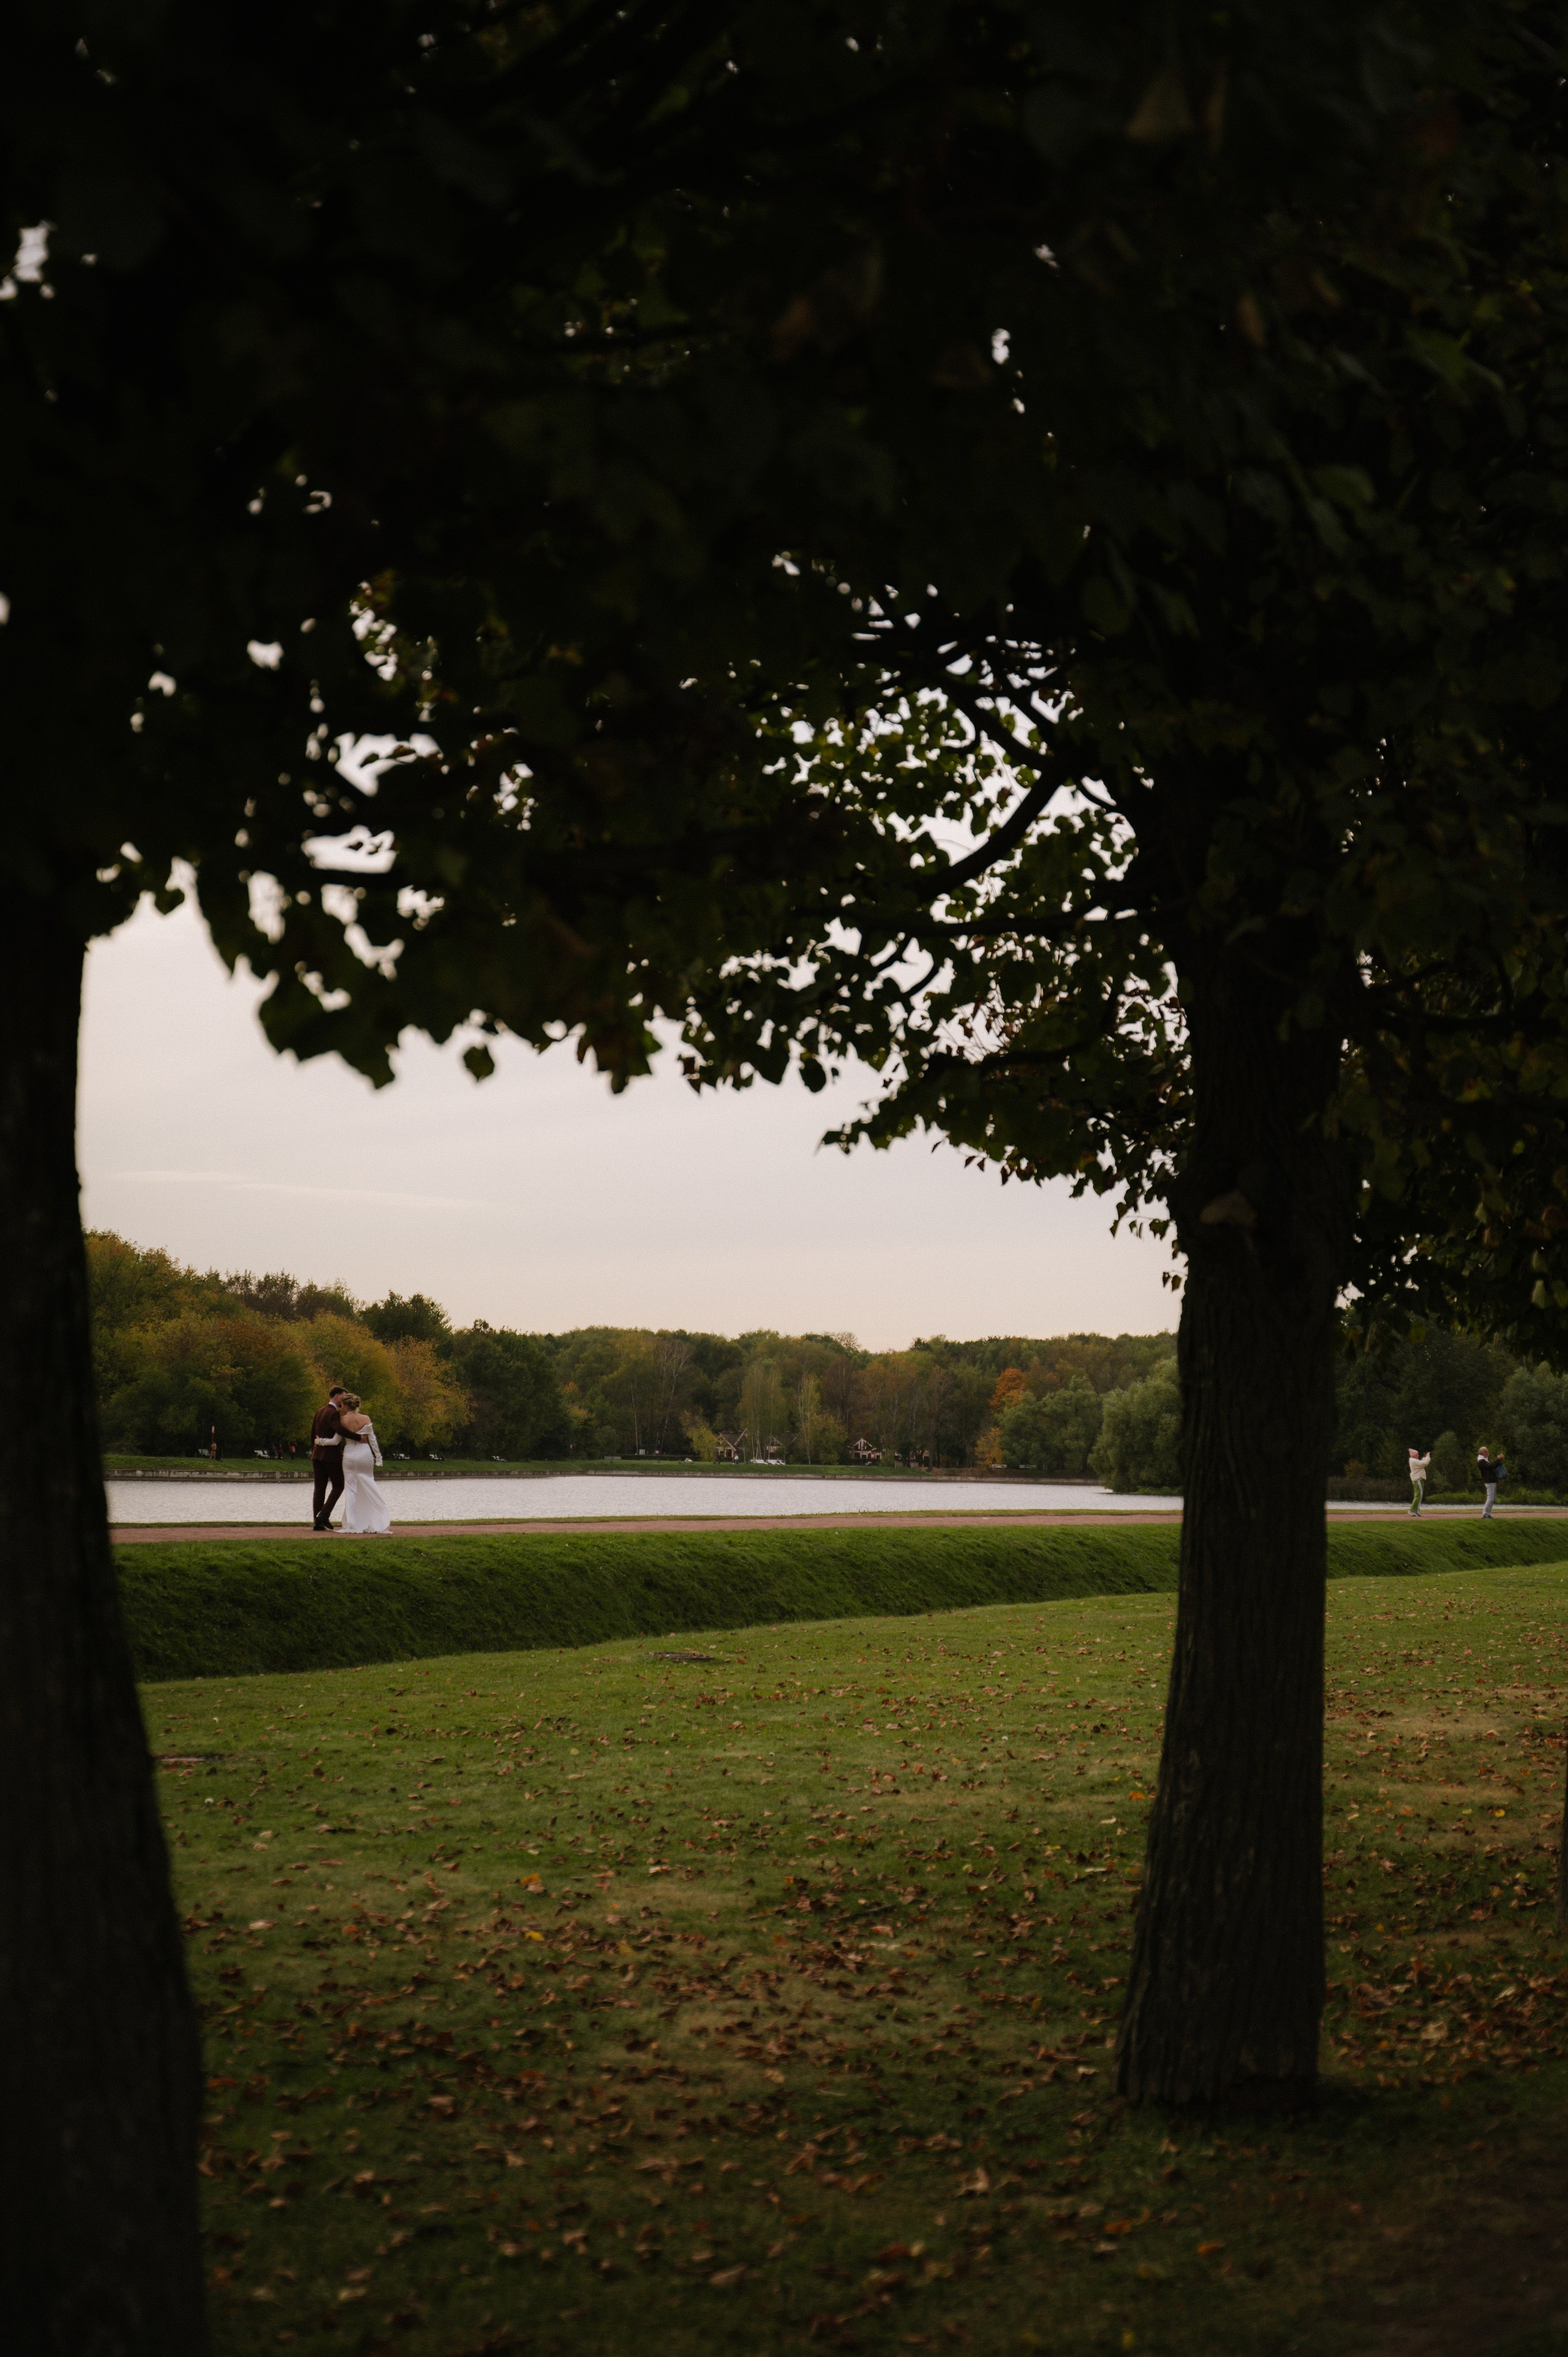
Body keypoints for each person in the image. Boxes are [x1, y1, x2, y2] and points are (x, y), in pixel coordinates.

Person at [337, 1394, 392, 1534]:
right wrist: (378, 1457)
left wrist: (321, 1442)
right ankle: (379, 1518)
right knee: (369, 1483)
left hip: (350, 1454)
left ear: (347, 1406)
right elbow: (372, 1440)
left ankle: (351, 1523)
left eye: (342, 1405)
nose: (341, 1408)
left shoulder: (342, 1420)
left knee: (350, 1489)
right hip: (364, 1454)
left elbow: (335, 1440)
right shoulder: (365, 1419)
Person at [311, 1385, 348, 1531]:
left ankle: (317, 1522)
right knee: (339, 1486)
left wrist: (314, 1450)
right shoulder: (334, 1414)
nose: (344, 1400)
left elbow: (313, 1434)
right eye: (343, 1397)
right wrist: (358, 1437)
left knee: (319, 1488)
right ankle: (324, 1515)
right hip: (331, 1457)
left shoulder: (319, 1412)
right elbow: (339, 1430)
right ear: (337, 1396)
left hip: (317, 1455)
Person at [1407, 1445, 1430, 1517]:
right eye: (1417, 1454)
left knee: (1419, 1495)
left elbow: (1421, 1463)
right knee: (1418, 1496)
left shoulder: (1414, 1461)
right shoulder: (1414, 1461)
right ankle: (1412, 1510)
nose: (1418, 1455)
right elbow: (1424, 1463)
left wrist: (1425, 1458)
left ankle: (1417, 1511)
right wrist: (1428, 1457)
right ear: (1414, 1455)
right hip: (1418, 1479)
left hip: (1418, 1479)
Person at [1478, 1444, 1500, 1518]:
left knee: (1493, 1499)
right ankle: (1485, 1514)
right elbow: (1491, 1466)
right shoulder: (1481, 1462)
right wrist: (1499, 1460)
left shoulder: (1486, 1461)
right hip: (1489, 1481)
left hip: (1492, 1481)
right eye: (1486, 1451)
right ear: (1483, 1453)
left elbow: (1492, 1465)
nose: (1488, 1453)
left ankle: (1488, 1513)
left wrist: (1499, 1461)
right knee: (1490, 1498)